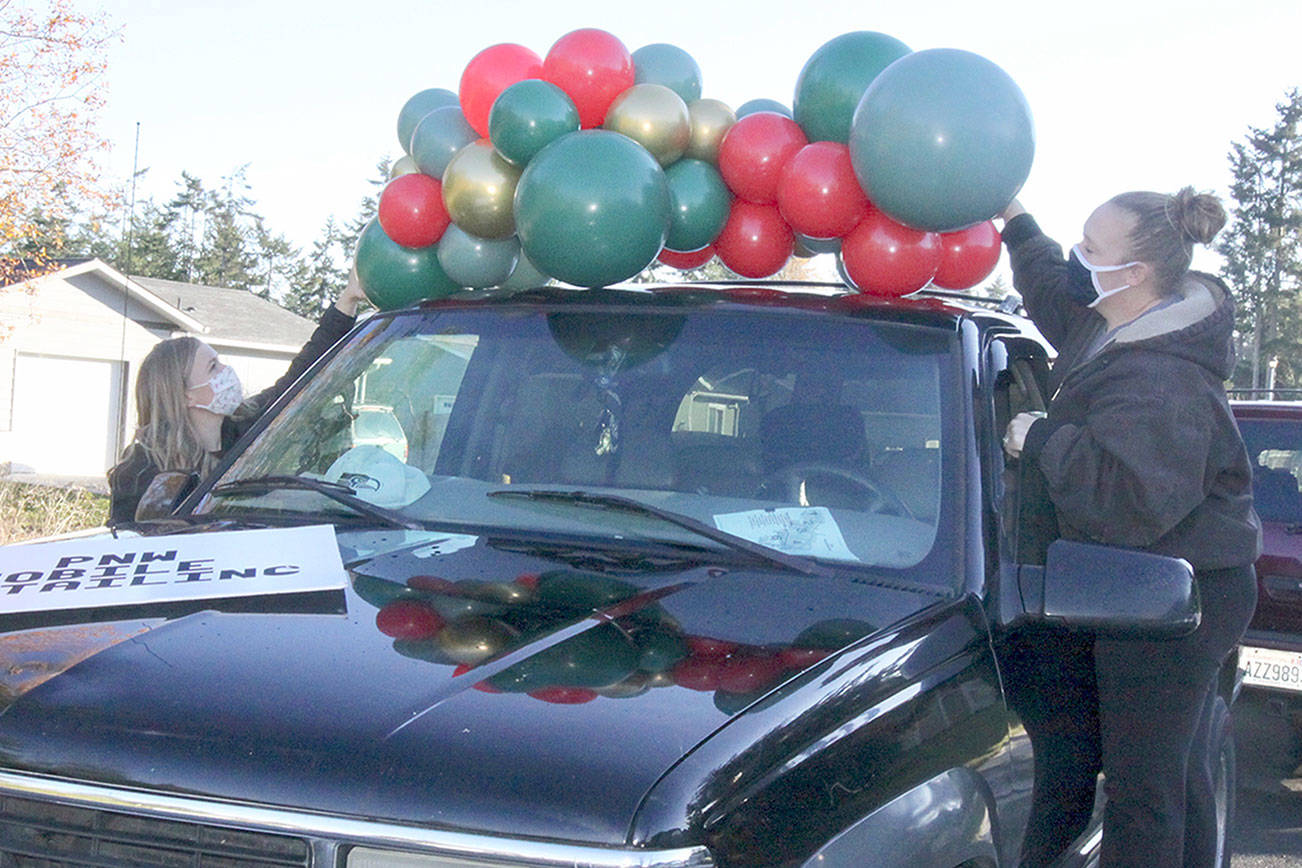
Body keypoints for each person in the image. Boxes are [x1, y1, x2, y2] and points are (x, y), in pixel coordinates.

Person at [997, 187, 1261, 867]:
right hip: (1147, 579)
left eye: (1093, 249)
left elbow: (1126, 506)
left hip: (1178, 593)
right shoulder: (1111, 324)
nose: (1081, 259)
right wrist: (1016, 220)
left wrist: (1045, 441)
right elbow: (1055, 294)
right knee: (1179, 766)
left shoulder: (1165, 379)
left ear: (1135, 273)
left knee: (1143, 790)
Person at [107, 272, 368, 524]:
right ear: (185, 396)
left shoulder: (247, 430)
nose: (226, 371)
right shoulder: (142, 471)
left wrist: (347, 301)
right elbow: (128, 543)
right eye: (212, 367)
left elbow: (304, 375)